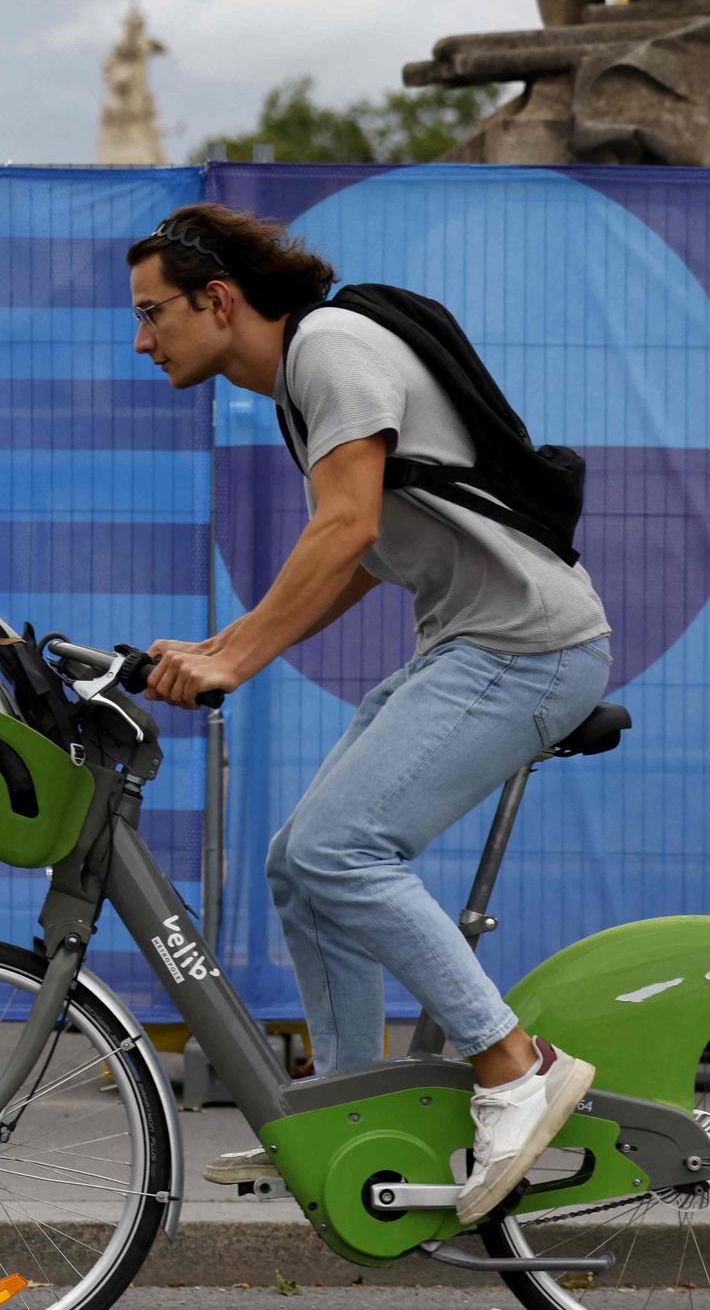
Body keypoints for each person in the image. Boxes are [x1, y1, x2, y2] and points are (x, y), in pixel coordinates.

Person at [124, 201, 612, 1226]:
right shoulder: (304, 387)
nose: (140, 338)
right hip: (478, 644)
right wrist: (225, 647)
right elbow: (361, 551)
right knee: (299, 863)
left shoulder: (332, 349)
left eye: (152, 311)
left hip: (526, 648)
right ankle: (353, 1112)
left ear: (217, 300)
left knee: (344, 851)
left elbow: (344, 527)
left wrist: (235, 658)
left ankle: (516, 1068)